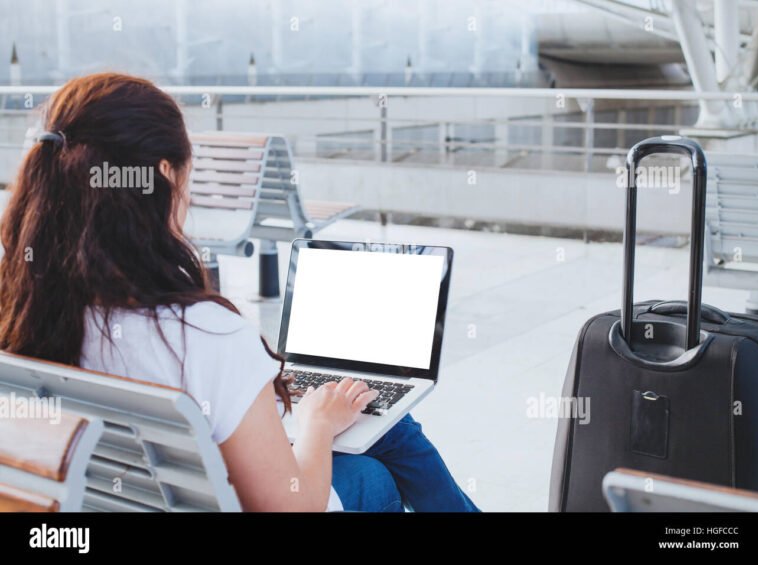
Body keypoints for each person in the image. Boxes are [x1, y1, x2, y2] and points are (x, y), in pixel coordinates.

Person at [0, 73, 479, 512]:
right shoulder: (205, 336)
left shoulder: (22, 306)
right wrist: (315, 424)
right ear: (166, 175)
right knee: (375, 467)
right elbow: (291, 507)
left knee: (379, 430)